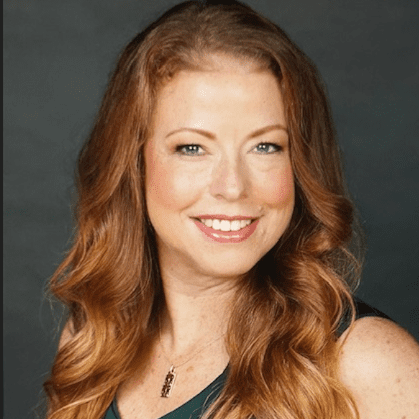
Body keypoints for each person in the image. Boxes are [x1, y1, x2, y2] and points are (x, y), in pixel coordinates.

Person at [43, 1, 419, 418]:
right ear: (134, 163)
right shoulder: (92, 343)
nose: (233, 186)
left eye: (265, 146)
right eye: (192, 148)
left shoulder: (367, 365)